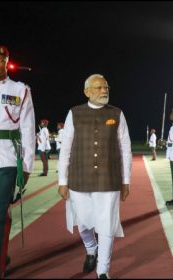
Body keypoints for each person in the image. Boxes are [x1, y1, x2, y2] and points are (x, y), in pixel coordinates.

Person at [57, 74, 132, 279]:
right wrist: (62, 181)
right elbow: (66, 149)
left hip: (109, 179)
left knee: (106, 223)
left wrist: (126, 181)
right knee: (83, 223)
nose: (104, 91)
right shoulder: (74, 113)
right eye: (98, 88)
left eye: (106, 87)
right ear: (87, 91)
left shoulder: (117, 114)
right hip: (79, 178)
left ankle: (103, 270)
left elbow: (125, 149)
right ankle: (91, 248)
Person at [0, 45, 36, 278]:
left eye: (0, 60)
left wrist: (26, 166)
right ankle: (2, 253)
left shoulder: (20, 90)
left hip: (7, 158)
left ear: (7, 63)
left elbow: (27, 127)